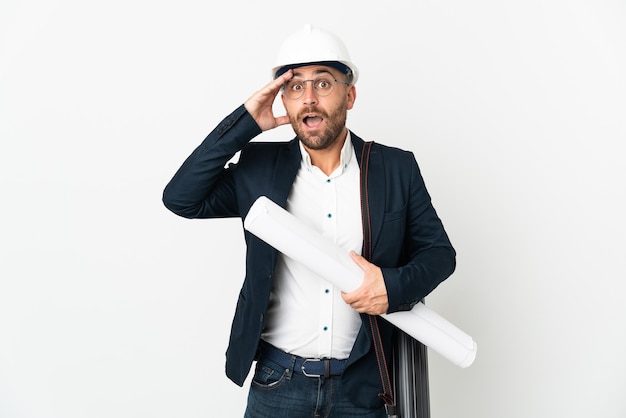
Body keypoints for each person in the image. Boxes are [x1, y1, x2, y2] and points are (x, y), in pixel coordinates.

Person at [162, 24, 456, 418]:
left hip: (362, 388)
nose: (309, 99)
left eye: (323, 83)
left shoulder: (394, 168)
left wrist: (390, 286)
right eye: (295, 87)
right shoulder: (259, 170)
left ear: (349, 95)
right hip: (277, 383)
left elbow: (439, 254)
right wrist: (246, 122)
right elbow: (180, 197)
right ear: (283, 99)